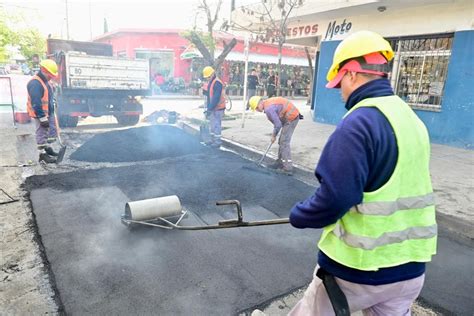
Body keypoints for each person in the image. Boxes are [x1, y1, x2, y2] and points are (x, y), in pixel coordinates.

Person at [288, 30, 437, 315]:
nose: (341, 92)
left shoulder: (358, 123)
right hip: (410, 270)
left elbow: (337, 196)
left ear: (352, 74)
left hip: (357, 270)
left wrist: (300, 215)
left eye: (340, 83)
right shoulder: (410, 118)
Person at [248, 96, 300, 175]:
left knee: (284, 142)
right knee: (281, 141)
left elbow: (278, 124)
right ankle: (280, 162)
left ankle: (288, 168)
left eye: (256, 108)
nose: (257, 110)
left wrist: (273, 135)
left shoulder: (269, 109)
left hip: (291, 117)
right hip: (287, 117)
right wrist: (275, 135)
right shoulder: (268, 105)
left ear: (260, 103)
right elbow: (278, 123)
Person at [27, 59, 60, 164]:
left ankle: (48, 149)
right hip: (40, 113)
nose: (51, 77)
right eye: (50, 74)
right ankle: (42, 155)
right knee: (41, 133)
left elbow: (48, 95)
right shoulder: (35, 83)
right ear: (43, 70)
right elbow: (36, 102)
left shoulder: (46, 81)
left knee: (50, 131)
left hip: (48, 112)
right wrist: (42, 117)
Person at [202, 66, 225, 148]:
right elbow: (210, 95)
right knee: (212, 124)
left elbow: (216, 97)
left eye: (208, 76)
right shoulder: (211, 82)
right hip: (213, 107)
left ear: (212, 74)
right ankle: (212, 140)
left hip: (218, 107)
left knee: (216, 125)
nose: (207, 78)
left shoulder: (217, 83)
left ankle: (217, 141)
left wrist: (210, 108)